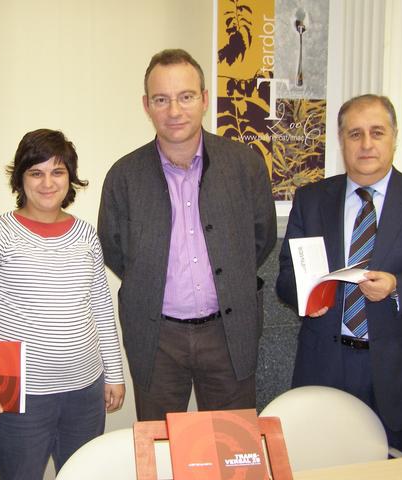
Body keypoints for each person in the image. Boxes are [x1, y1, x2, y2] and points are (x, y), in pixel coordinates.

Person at [98, 49, 276, 421]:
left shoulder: (244, 165)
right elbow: (114, 249)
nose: (174, 111)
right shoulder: (124, 176)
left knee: (233, 443)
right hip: (157, 337)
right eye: (161, 99)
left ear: (205, 99)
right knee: (160, 442)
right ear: (146, 106)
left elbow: (261, 238)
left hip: (229, 330)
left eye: (186, 96)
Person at [276, 94, 402, 455]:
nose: (366, 144)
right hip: (325, 364)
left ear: (394, 137)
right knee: (325, 466)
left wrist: (398, 287)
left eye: (377, 132)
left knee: (396, 469)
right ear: (342, 140)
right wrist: (306, 294)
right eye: (355, 134)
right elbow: (287, 275)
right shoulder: (311, 198)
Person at [0, 128, 125, 480]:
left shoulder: (86, 235)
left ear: (70, 178)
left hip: (85, 389)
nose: (47, 183)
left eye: (57, 172)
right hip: (16, 391)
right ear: (20, 178)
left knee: (82, 474)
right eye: (36, 172)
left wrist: (114, 373)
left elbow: (101, 308)